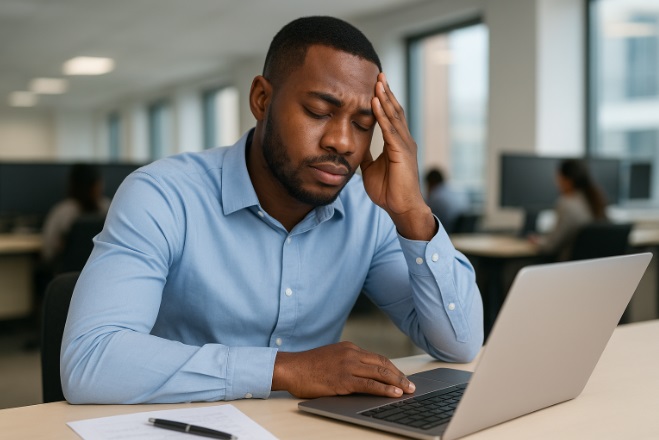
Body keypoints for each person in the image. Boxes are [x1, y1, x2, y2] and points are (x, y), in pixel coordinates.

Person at [61, 16, 483, 404]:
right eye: (320, 111)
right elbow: (91, 360)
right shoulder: (162, 195)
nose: (342, 141)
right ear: (262, 99)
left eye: (361, 123)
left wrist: (411, 212)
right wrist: (284, 370)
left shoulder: (368, 211)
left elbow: (459, 344)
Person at [532, 158, 607, 260]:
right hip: (591, 266)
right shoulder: (596, 200)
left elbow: (550, 246)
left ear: (566, 180)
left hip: (567, 267)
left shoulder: (566, 203)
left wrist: (538, 241)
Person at [41, 163, 110, 266]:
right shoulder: (108, 208)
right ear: (97, 185)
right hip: (101, 272)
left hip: (68, 276)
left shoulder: (62, 212)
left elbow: (48, 251)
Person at [425, 168, 470, 234]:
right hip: (462, 231)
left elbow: (427, 217)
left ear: (431, 183)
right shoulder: (454, 190)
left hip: (448, 231)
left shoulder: (436, 196)